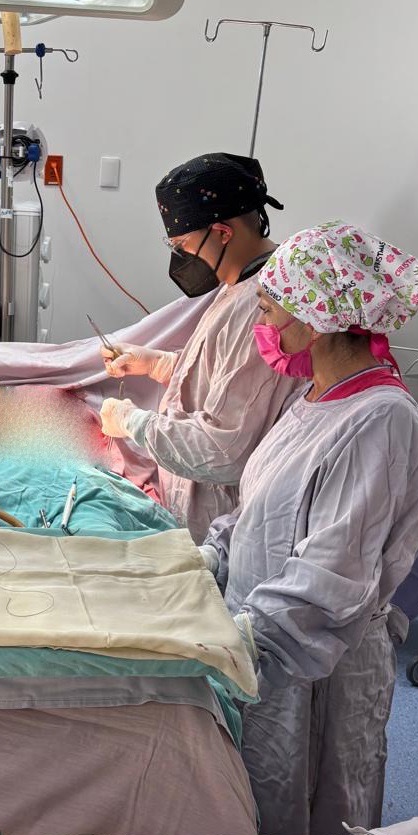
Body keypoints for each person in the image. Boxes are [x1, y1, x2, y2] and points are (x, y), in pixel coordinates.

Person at [201, 221, 418, 835]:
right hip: (267, 651)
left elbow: (330, 577)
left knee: (313, 828)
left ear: (313, 319)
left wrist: (234, 643)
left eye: (268, 310)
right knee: (261, 804)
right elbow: (260, 510)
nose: (262, 325)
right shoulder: (311, 400)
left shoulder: (379, 420)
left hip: (313, 662)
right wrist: (210, 559)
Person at [98, 153, 299, 544]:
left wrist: (132, 422)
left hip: (222, 521)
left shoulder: (264, 307)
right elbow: (226, 382)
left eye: (183, 244)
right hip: (194, 502)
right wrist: (157, 364)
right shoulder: (240, 283)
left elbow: (223, 450)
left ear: (222, 232)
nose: (181, 257)